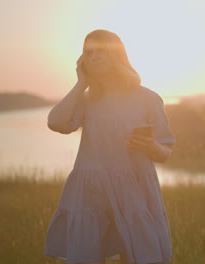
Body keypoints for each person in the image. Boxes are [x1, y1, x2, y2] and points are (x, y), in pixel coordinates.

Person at [44, 29, 175, 264]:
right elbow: (56, 122)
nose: (94, 57)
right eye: (88, 52)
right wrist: (80, 83)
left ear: (118, 55)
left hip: (135, 190)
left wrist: (151, 146)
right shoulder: (85, 100)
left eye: (101, 51)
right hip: (91, 191)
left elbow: (165, 151)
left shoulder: (148, 98)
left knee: (139, 257)